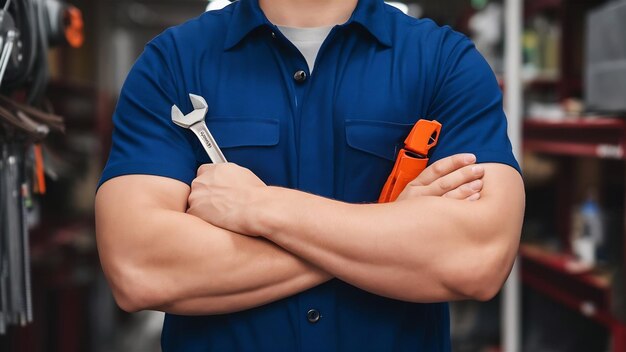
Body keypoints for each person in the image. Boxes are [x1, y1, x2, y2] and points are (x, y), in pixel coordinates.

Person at [95, 0, 525, 350]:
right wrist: (389, 229)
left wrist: (259, 208)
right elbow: (140, 267)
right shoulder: (172, 63)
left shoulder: (445, 62)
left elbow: (478, 258)